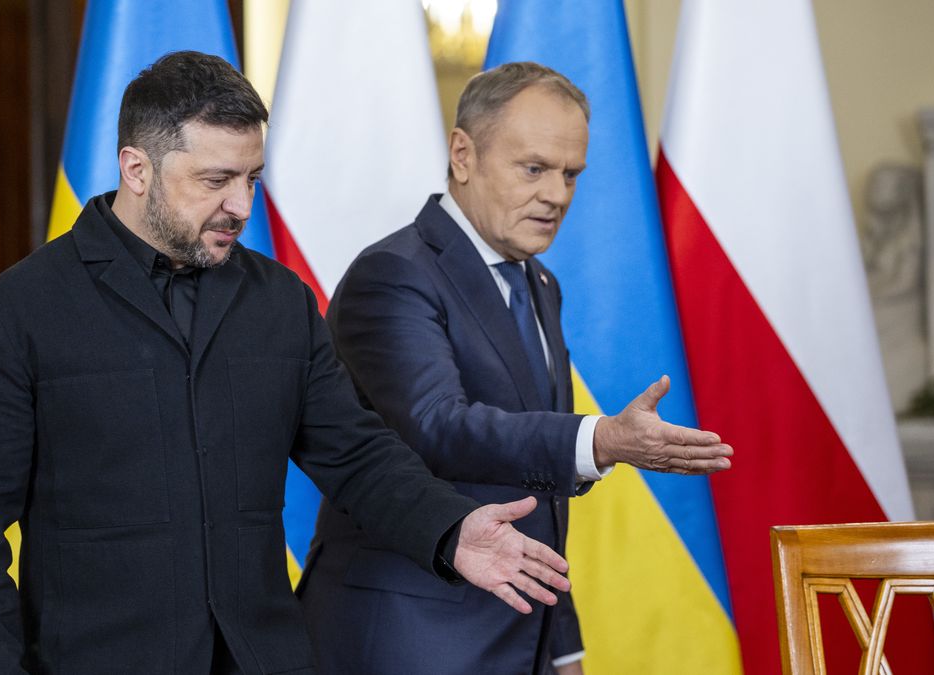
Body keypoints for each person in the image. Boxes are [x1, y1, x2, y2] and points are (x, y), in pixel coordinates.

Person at [0, 51, 576, 675]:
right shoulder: (18, 311)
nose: (241, 205)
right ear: (136, 169)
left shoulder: (280, 301)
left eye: (252, 179)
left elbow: (357, 456)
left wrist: (451, 530)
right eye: (215, 181)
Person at [297, 63, 734, 675]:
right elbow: (436, 428)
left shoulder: (539, 283)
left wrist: (562, 646)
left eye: (571, 174)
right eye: (534, 168)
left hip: (520, 639)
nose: (557, 195)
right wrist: (602, 439)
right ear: (463, 155)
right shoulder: (393, 273)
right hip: (408, 639)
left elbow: (539, 497)